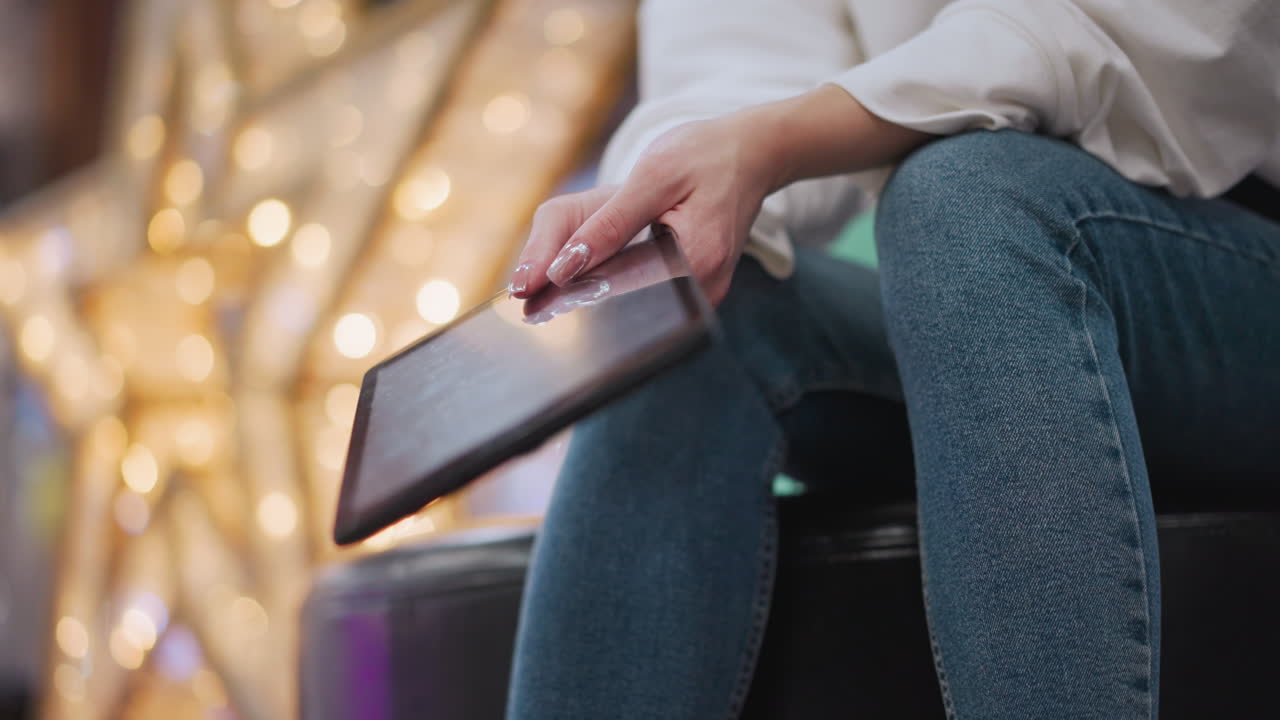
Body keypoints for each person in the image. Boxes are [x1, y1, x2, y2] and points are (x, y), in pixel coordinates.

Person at [503, 1, 1280, 717]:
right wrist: (661, 195)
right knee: (693, 304)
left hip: (1234, 257)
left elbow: (1131, 36)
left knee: (967, 203)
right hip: (988, 293)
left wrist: (776, 140)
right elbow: (740, 60)